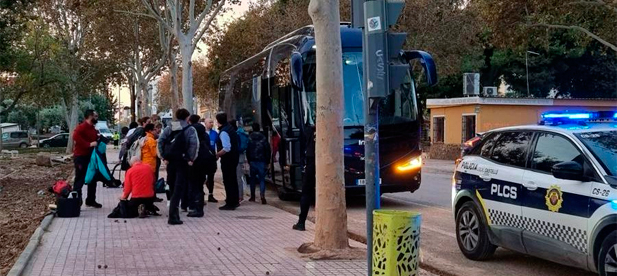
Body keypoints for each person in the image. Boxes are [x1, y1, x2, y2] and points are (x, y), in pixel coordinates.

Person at [158, 109, 199, 225]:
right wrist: (191, 159)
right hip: (182, 161)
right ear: (187, 117)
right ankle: (173, 215)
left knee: (171, 185)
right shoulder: (190, 129)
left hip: (171, 161)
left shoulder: (169, 127)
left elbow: (160, 141)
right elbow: (194, 145)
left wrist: (163, 157)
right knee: (179, 187)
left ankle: (174, 212)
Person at [72, 109, 102, 208]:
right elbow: (75, 136)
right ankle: (76, 201)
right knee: (80, 179)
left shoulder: (93, 128)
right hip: (81, 156)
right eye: (95, 116)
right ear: (90, 116)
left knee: (93, 178)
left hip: (91, 157)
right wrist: (88, 144)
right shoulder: (82, 127)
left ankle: (90, 200)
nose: (97, 118)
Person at [187, 114, 215, 217]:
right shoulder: (205, 135)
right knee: (199, 186)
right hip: (203, 163)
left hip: (194, 163)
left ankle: (194, 207)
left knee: (193, 186)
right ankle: (199, 208)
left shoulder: (191, 133)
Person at [293, 125, 316, 231]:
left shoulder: (309, 131)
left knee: (306, 192)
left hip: (311, 162)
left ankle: (301, 222)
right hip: (322, 163)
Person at [216, 112, 240, 210]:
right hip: (234, 158)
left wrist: (217, 154)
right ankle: (235, 200)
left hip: (228, 159)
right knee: (233, 180)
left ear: (218, 121)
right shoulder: (230, 129)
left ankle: (230, 202)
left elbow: (226, 148)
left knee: (228, 180)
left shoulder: (224, 132)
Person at [246, 123, 271, 204]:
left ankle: (252, 196)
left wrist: (249, 160)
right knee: (262, 179)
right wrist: (268, 160)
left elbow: (247, 149)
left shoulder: (249, 138)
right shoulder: (263, 137)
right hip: (262, 160)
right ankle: (262, 196)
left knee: (252, 179)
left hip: (252, 160)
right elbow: (267, 149)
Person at [232, 119, 249, 203]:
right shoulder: (241, 133)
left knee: (238, 177)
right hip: (241, 156)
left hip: (237, 157)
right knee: (239, 177)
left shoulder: (236, 134)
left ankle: (240, 196)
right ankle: (239, 195)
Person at [204, 118, 218, 203]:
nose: (211, 124)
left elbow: (218, 144)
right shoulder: (202, 133)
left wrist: (217, 154)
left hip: (212, 157)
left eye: (212, 122)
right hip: (203, 157)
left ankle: (211, 194)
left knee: (211, 176)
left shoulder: (215, 134)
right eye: (210, 122)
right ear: (205, 123)